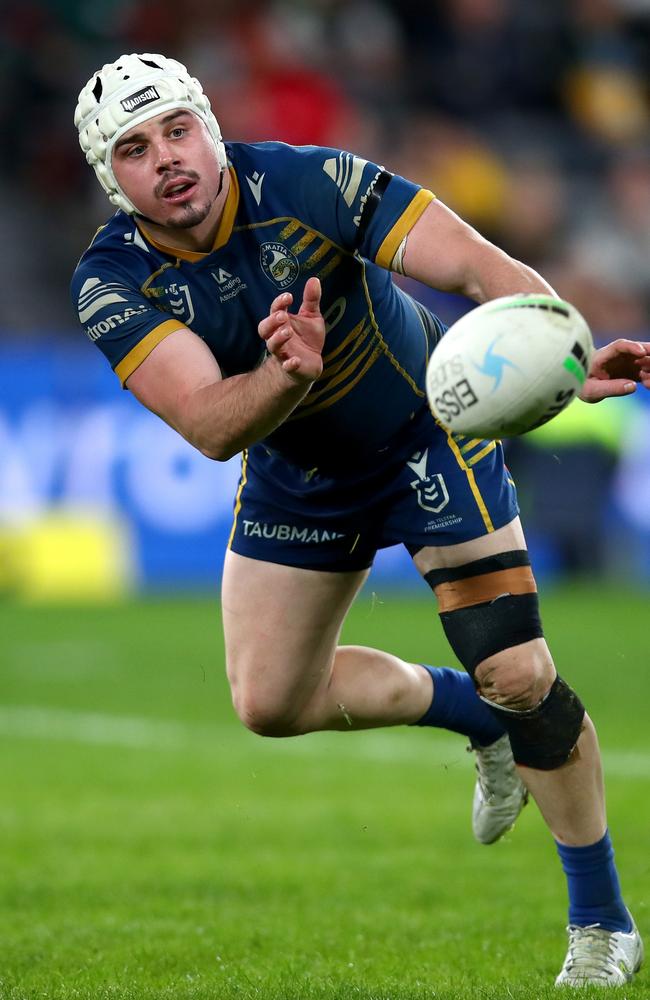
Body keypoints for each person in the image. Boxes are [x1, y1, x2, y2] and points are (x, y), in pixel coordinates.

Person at [72, 53, 650, 986]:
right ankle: (479, 721)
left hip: (427, 429)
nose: (167, 158)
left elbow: (474, 263)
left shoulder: (307, 180)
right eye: (135, 149)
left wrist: (564, 351)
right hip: (296, 470)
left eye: (179, 129)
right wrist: (284, 376)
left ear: (212, 129)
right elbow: (213, 424)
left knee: (515, 666)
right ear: (112, 180)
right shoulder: (110, 281)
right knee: (269, 704)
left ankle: (602, 923)